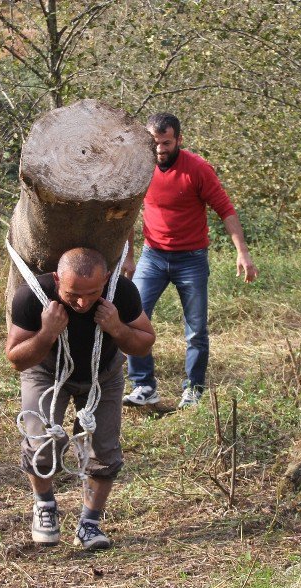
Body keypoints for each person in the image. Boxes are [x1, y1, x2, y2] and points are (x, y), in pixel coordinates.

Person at [6, 247, 155, 550]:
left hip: (103, 375)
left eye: (92, 292)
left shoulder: (121, 293)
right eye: (73, 293)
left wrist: (116, 327)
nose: (83, 302)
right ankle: (45, 506)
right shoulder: (31, 295)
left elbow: (143, 345)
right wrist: (47, 333)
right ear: (56, 279)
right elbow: (17, 359)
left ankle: (90, 523)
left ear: (108, 279)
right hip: (46, 373)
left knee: (104, 451)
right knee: (41, 445)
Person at [122, 112, 258, 409]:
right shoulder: (140, 168)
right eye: (154, 143)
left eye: (166, 142)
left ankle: (193, 390)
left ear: (179, 140)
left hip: (191, 259)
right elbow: (128, 212)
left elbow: (225, 209)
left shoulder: (197, 169)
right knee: (133, 318)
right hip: (152, 256)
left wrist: (242, 252)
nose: (159, 149)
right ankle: (144, 386)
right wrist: (129, 257)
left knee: (195, 329)